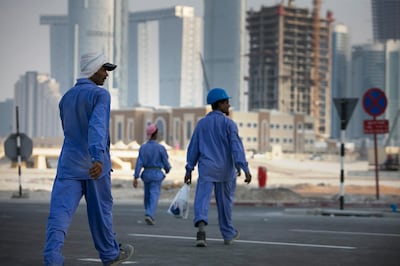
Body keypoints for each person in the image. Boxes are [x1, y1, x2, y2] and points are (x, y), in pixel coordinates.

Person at [43, 51, 134, 266]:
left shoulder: (66, 98)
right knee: (101, 213)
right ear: (93, 69)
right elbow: (97, 126)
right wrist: (97, 157)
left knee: (59, 216)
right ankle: (110, 255)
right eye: (104, 69)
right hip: (94, 166)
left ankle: (52, 259)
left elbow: (69, 131)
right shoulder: (100, 95)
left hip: (68, 166)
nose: (106, 75)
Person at [184, 87, 252, 247]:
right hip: (226, 172)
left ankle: (201, 230)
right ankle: (228, 234)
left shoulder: (201, 124)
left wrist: (189, 168)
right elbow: (236, 147)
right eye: (226, 102)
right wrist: (244, 168)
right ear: (219, 104)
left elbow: (193, 147)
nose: (228, 106)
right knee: (225, 203)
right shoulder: (229, 124)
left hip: (207, 169)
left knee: (202, 199)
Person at [133, 124, 172, 225]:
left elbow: (139, 162)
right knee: (154, 195)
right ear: (155, 134)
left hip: (146, 174)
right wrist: (167, 169)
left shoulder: (143, 148)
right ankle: (149, 214)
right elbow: (165, 161)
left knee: (147, 195)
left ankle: (148, 212)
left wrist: (136, 176)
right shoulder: (160, 148)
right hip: (156, 174)